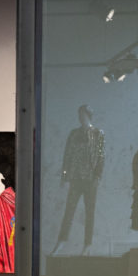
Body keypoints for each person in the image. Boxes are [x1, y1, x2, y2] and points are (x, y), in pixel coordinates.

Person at [52, 104, 105, 255]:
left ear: (88, 115)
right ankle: (62, 241)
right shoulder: (74, 134)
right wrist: (64, 175)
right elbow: (67, 155)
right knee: (69, 211)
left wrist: (98, 176)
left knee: (89, 212)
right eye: (79, 115)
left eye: (83, 115)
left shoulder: (98, 133)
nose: (81, 117)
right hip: (75, 178)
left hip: (90, 179)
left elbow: (101, 156)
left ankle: (87, 244)